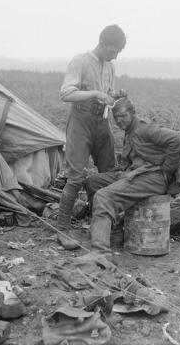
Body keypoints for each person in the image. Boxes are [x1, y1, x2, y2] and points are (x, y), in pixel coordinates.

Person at [85, 98, 180, 252]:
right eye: (116, 117)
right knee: (92, 182)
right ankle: (112, 230)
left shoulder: (144, 129)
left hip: (153, 177)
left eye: (123, 116)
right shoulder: (129, 131)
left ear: (132, 114)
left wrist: (167, 170)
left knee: (103, 197)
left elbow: (179, 139)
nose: (119, 121)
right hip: (135, 173)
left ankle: (99, 252)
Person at [58, 25, 127, 225]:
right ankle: (63, 228)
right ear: (103, 44)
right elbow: (66, 93)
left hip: (101, 122)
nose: (115, 57)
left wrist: (114, 95)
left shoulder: (110, 66)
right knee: (76, 177)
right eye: (113, 51)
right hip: (81, 121)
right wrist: (96, 94)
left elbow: (107, 93)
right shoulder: (80, 61)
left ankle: (100, 219)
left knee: (110, 172)